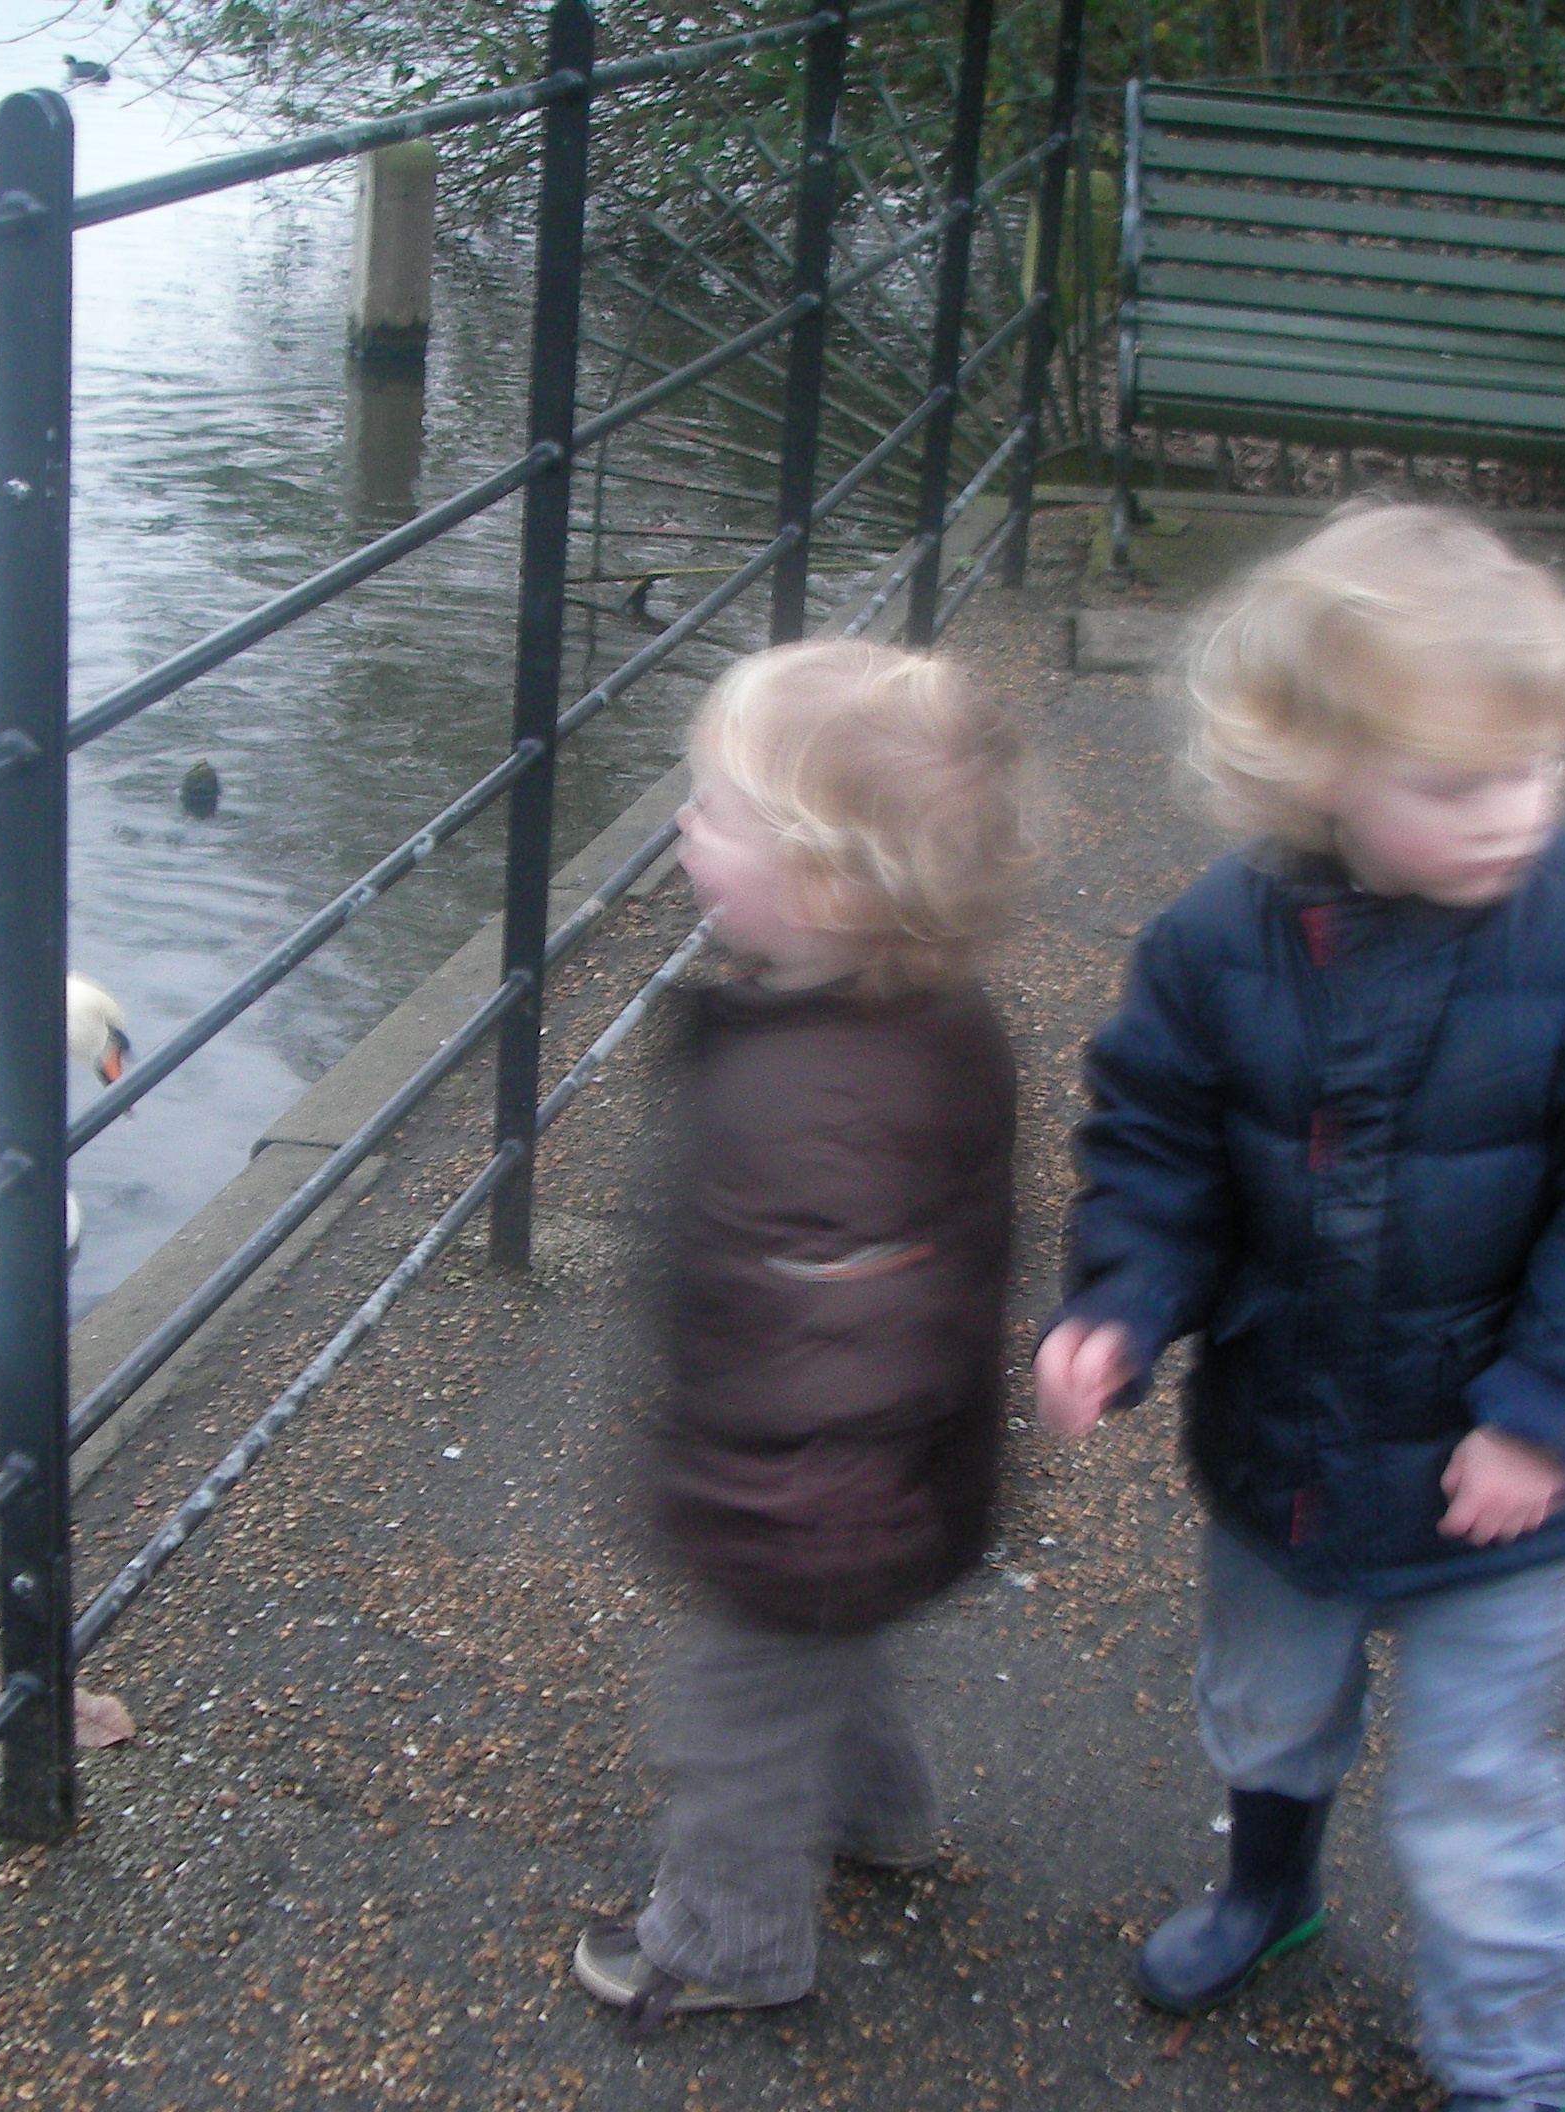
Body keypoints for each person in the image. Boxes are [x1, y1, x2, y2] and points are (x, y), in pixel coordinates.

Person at [1035, 504, 1565, 2112]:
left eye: (1537, 767)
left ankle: (1522, 2069)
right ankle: (1269, 1889)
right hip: (1288, 1435)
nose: (1515, 813)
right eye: (1458, 782)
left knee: (1477, 1794)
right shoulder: (1216, 943)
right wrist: (1125, 1302)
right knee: (1266, 1711)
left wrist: (1551, 1408)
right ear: (1320, 771)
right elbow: (1156, 1148)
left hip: (1504, 1467)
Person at [572, 638, 1035, 2035]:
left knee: (736, 1717)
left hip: (808, 1489)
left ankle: (728, 1940)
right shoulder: (915, 1023)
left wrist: (779, 1503)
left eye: (717, 812)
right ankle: (886, 1818)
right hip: (877, 1485)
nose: (682, 825)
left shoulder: (824, 1100)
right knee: (832, 1653)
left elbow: (847, 1341)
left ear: (828, 882)